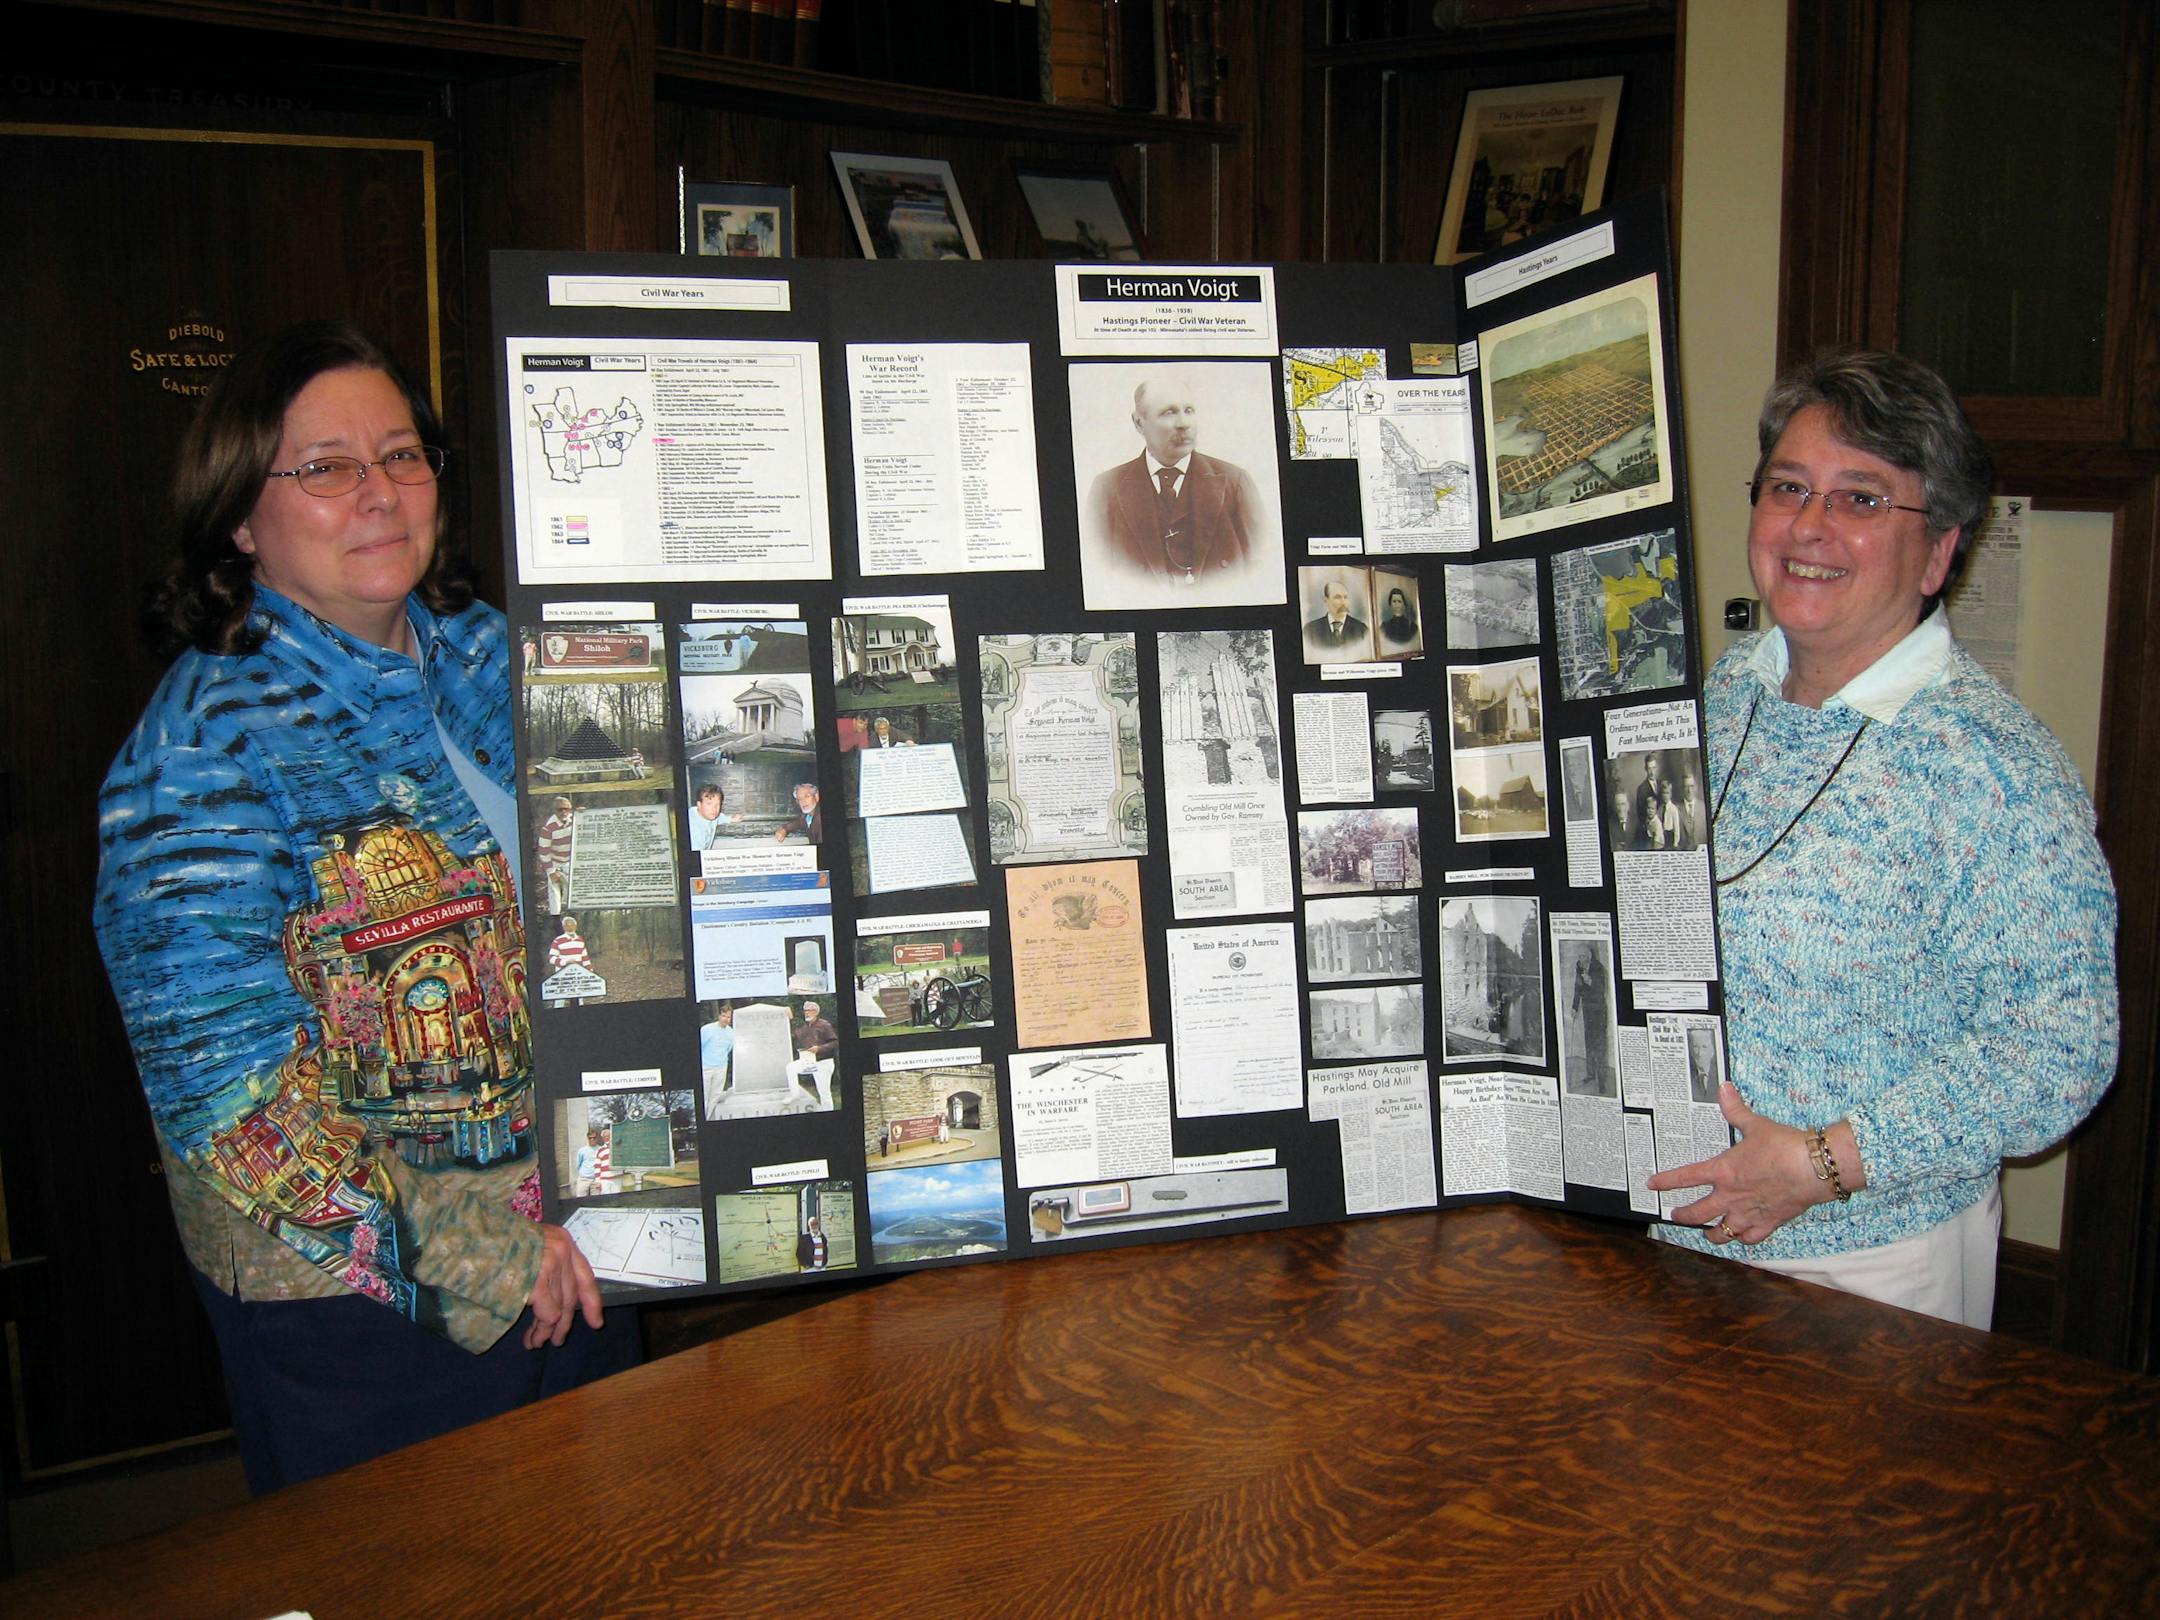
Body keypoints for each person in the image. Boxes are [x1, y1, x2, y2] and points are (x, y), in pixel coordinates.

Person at [94, 321, 637, 1494]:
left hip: (586, 1227)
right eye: (327, 468)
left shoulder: (493, 654)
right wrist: (484, 1254)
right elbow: (228, 1097)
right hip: (368, 1307)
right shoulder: (202, 752)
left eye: (403, 455)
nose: (380, 495)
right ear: (241, 516)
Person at [1646, 349, 2117, 1329]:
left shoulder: (1995, 769)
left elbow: (2060, 1049)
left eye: (1861, 500)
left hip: (1870, 1268)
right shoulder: (1721, 695)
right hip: (1678, 1235)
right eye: (1788, 488)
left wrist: (1822, 1165)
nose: (1810, 528)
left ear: (1940, 550)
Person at [1084, 372, 1261, 585]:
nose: (1184, 423)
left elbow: (1259, 572)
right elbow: (1096, 575)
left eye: (1189, 410)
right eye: (1169, 412)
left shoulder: (1235, 482)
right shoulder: (1107, 489)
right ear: (1139, 423)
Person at [1302, 578, 1369, 661]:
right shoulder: (1310, 629)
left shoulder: (1362, 629)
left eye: (1345, 597)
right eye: (1337, 597)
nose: (1343, 602)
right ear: (1325, 600)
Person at [535, 794, 575, 913]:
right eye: (560, 809)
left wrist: (583, 813)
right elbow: (543, 852)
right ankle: (555, 918)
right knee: (554, 893)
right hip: (555, 863)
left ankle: (568, 913)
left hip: (569, 862)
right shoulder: (548, 828)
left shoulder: (575, 819)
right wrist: (551, 871)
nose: (563, 812)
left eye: (566, 809)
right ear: (554, 810)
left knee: (570, 891)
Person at [699, 1003, 735, 1119]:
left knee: (715, 1096)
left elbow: (728, 1049)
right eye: (724, 1016)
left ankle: (708, 1119)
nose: (726, 1019)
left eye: (728, 1017)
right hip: (705, 1067)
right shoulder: (707, 1029)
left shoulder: (731, 1033)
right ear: (719, 1016)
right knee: (704, 1095)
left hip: (721, 1068)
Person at [687, 780, 738, 849]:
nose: (714, 809)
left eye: (717, 804)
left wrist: (730, 819)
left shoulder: (709, 814)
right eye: (709, 804)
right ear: (699, 804)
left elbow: (718, 817)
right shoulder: (694, 830)